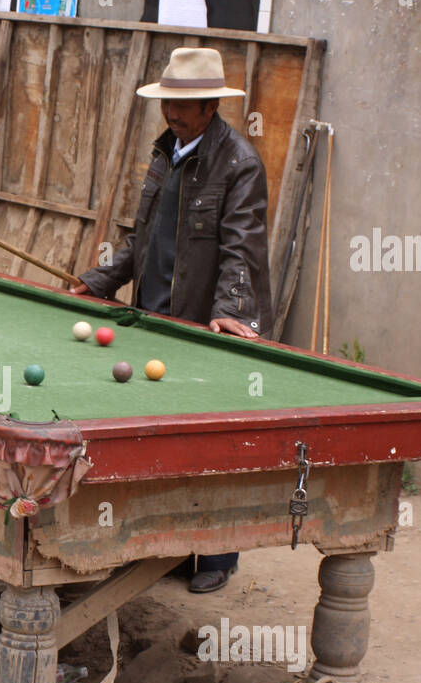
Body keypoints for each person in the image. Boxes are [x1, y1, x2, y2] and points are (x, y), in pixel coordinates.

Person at [71, 47, 272, 592]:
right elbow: (143, 236)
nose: (172, 114)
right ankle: (158, 545)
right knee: (155, 436)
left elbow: (242, 250)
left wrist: (230, 311)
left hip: (207, 325)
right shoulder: (167, 151)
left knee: (214, 440)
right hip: (155, 313)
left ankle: (215, 557)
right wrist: (102, 280)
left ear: (209, 106)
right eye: (169, 104)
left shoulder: (239, 164)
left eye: (183, 106)